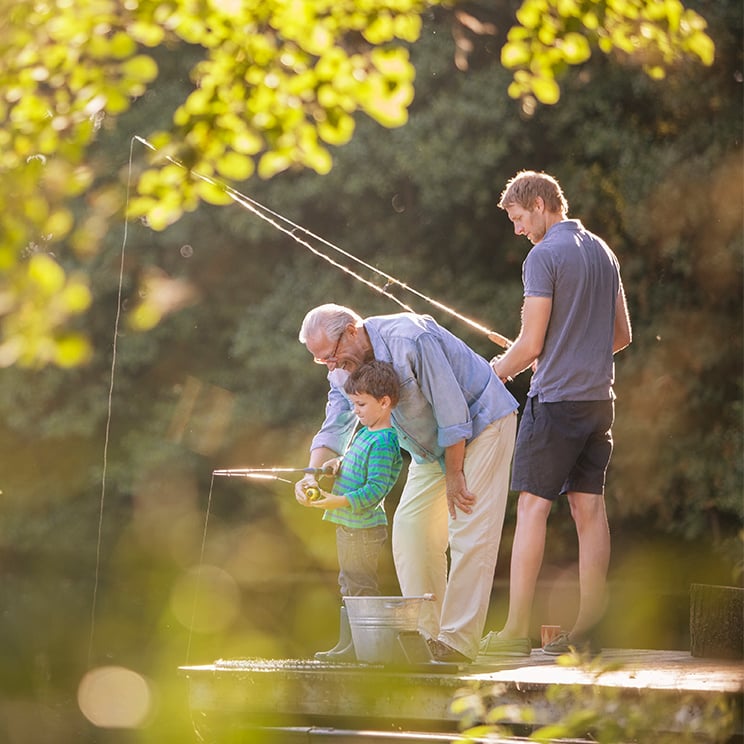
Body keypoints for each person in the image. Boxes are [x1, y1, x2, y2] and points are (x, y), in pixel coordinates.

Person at [295, 304, 518, 663]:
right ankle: (428, 637)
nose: (331, 366)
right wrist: (311, 473)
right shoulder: (342, 369)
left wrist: (455, 474)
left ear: (352, 330)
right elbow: (336, 416)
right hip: (429, 446)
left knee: (468, 528)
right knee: (411, 529)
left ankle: (457, 642)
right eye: (322, 362)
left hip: (481, 424)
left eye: (332, 355)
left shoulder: (411, 338)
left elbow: (452, 411)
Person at [480, 170, 632, 657]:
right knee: (590, 509)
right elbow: (621, 336)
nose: (518, 230)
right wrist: (567, 350)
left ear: (542, 204)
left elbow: (528, 345)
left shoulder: (543, 256)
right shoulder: (604, 251)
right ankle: (589, 631)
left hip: (556, 403)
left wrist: (493, 373)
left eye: (520, 218)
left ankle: (513, 632)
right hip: (599, 402)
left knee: (531, 508)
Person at [297, 360, 403, 662]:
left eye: (361, 404)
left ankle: (365, 649)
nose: (355, 410)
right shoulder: (365, 433)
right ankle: (350, 645)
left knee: (360, 586)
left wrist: (336, 501)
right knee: (348, 583)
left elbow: (374, 491)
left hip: (364, 529)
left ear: (384, 403)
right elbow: (354, 465)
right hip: (349, 527)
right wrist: (335, 465)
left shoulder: (385, 441)